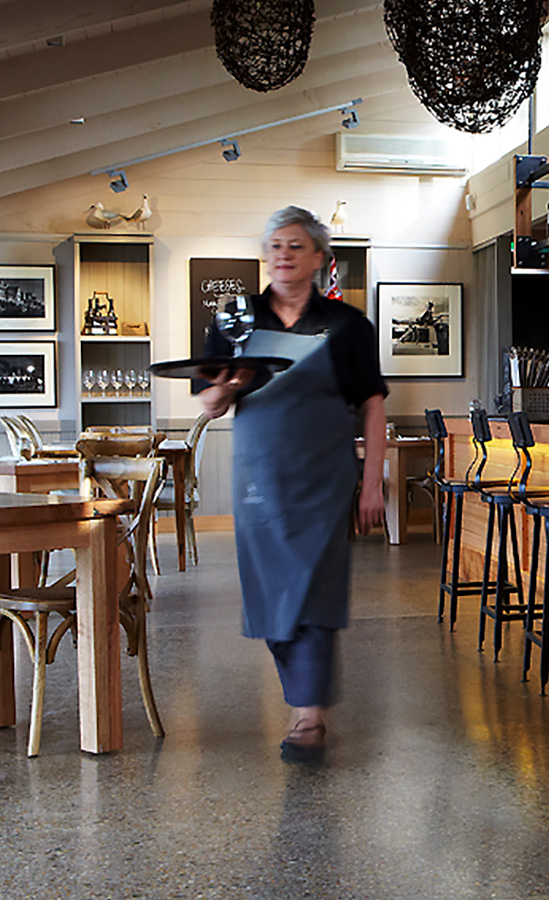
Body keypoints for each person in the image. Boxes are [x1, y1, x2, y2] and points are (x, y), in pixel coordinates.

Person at [196, 206, 387, 764]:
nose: (283, 254)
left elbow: (372, 405)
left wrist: (370, 480)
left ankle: (309, 717)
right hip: (259, 477)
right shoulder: (236, 317)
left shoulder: (348, 325)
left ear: (319, 258)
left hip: (325, 478)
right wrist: (226, 387)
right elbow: (208, 405)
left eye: (296, 245)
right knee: (273, 597)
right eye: (275, 244)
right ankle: (303, 697)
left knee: (314, 592)